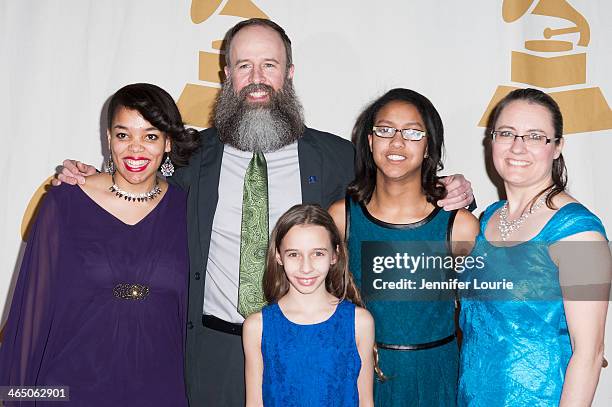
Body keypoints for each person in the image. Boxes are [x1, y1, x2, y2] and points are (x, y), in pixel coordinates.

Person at [54, 18, 475, 406]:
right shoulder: (190, 156)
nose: (257, 80)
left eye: (269, 65)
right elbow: (136, 178)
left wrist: (451, 189)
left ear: (289, 74)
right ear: (227, 76)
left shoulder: (336, 157)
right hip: (212, 351)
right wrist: (89, 176)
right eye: (244, 66)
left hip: (306, 352)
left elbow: (393, 186)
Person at [0, 83, 199, 406]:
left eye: (150, 136)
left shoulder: (187, 209)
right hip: (71, 390)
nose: (136, 149)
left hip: (162, 390)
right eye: (124, 135)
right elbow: (31, 315)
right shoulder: (66, 201)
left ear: (167, 143)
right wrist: (16, 396)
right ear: (108, 139)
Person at [458, 88, 611, 406]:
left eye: (535, 136)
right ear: (492, 140)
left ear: (557, 147)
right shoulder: (487, 219)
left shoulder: (578, 231)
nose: (517, 147)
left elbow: (590, 354)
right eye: (507, 133)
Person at [329, 88, 479, 406]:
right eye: (384, 130)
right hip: (360, 375)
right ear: (370, 142)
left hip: (436, 378)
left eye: (412, 132)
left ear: (428, 146)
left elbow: (488, 312)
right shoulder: (341, 217)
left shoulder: (459, 226)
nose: (397, 143)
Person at [242, 204, 375, 406]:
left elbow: (366, 401)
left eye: (318, 254)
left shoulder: (360, 322)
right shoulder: (257, 327)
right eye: (294, 254)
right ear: (278, 256)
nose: (306, 267)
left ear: (334, 255)